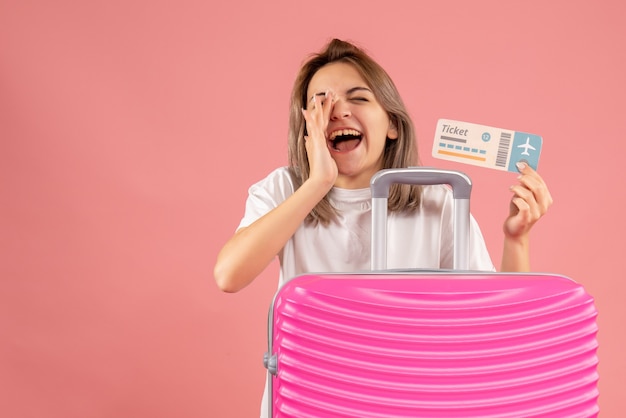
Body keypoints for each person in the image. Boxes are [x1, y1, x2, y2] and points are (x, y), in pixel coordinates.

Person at [213, 38, 553, 417]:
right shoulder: (284, 189)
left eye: (357, 98)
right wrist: (316, 184)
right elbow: (229, 274)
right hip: (310, 402)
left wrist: (516, 237)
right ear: (307, 128)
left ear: (391, 123)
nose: (338, 110)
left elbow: (497, 325)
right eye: (321, 103)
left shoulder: (436, 200)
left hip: (409, 403)